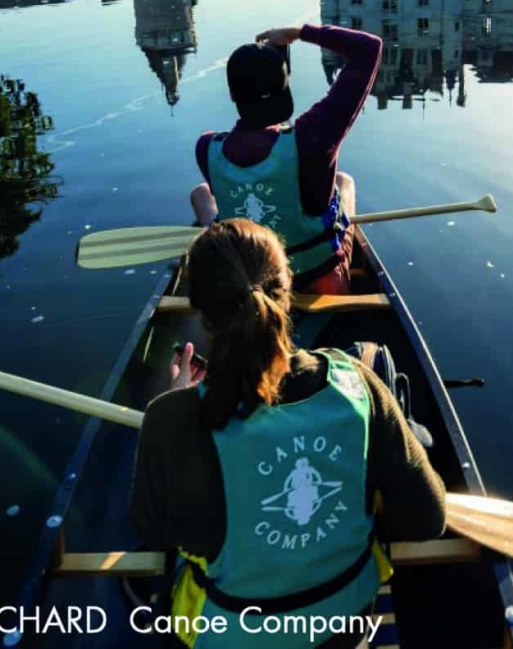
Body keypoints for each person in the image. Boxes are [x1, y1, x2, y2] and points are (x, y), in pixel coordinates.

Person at [129, 218, 446, 649]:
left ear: (200, 314)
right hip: (345, 627)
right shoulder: (359, 384)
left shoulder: (170, 417)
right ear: (288, 291)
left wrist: (176, 403)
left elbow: (153, 533)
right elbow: (428, 518)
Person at [190, 23, 382, 294]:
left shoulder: (206, 147)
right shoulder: (312, 136)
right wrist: (299, 32)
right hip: (318, 280)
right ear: (285, 87)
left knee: (200, 193)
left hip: (248, 276)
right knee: (343, 182)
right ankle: (340, 240)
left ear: (233, 94)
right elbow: (368, 48)